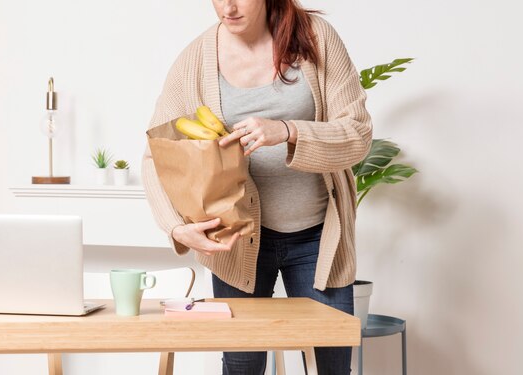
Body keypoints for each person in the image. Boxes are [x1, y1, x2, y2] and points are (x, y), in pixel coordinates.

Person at [142, 0, 373, 373]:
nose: (228, 7)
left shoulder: (316, 39)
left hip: (316, 239)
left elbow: (358, 134)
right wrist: (177, 228)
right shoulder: (195, 60)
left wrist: (288, 130)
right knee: (242, 366)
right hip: (235, 242)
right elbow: (157, 155)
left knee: (331, 365)